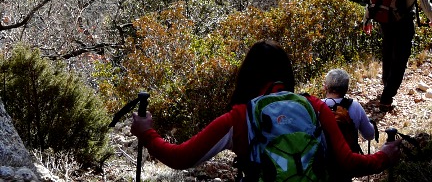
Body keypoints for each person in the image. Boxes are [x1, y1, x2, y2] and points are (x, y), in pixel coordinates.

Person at [131, 40, 400, 180]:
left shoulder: (240, 117)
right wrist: (385, 156)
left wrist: (147, 133)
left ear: (248, 76)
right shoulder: (314, 106)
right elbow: (350, 163)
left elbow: (181, 158)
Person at [365, 0, 432, 111]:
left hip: (385, 19)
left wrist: (367, 19)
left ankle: (386, 83)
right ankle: (387, 98)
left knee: (388, 50)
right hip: (403, 22)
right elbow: (427, 6)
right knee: (401, 59)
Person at [322, 69, 375, 182]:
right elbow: (369, 135)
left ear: (325, 87)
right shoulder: (355, 106)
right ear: (346, 89)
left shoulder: (317, 107)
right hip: (346, 163)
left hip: (322, 165)